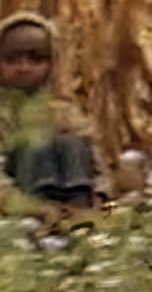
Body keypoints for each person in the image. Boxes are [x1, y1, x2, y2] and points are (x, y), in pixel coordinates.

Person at [0, 13, 100, 209]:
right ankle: (47, 200)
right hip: (22, 196)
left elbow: (98, 159)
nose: (23, 68)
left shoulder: (63, 110)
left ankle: (78, 202)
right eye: (11, 60)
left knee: (70, 142)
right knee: (36, 144)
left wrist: (103, 192)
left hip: (72, 193)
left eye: (36, 60)